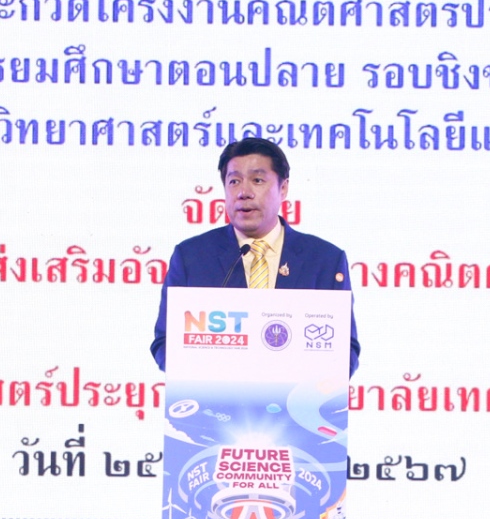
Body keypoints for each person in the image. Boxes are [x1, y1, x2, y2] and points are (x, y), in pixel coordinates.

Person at [151, 139, 359, 374]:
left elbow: (346, 350)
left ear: (283, 188)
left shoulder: (324, 260)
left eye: (257, 180)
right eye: (234, 181)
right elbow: (165, 342)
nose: (244, 193)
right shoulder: (192, 257)